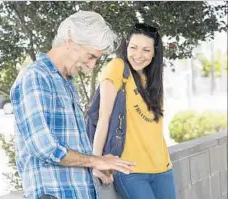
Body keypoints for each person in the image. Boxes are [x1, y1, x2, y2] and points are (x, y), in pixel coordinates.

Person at [10, 11, 136, 199]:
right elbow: (44, 147)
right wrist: (95, 161)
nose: (92, 65)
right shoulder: (36, 77)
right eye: (90, 55)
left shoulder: (65, 83)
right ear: (70, 39)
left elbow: (70, 149)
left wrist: (94, 167)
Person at [92, 23, 176, 199]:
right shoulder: (117, 68)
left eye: (146, 50)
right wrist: (96, 162)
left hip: (163, 168)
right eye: (133, 47)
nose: (138, 55)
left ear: (154, 53)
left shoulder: (152, 80)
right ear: (126, 46)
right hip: (131, 171)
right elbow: (103, 118)